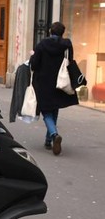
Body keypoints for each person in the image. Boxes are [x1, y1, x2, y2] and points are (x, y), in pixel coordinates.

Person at [29, 21, 78, 155]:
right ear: (62, 32)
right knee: (54, 108)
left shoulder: (42, 45)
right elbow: (70, 60)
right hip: (61, 82)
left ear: (50, 31)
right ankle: (48, 141)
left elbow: (34, 65)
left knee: (46, 111)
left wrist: (33, 56)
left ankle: (54, 134)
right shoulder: (67, 45)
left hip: (44, 82)